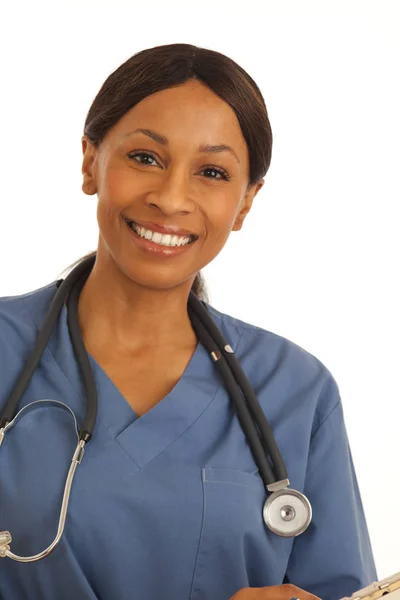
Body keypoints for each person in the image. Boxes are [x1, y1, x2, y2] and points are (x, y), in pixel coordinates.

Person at [0, 43, 377, 600]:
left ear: (246, 203)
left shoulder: (297, 391)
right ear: (89, 161)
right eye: (145, 158)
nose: (172, 198)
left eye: (212, 172)